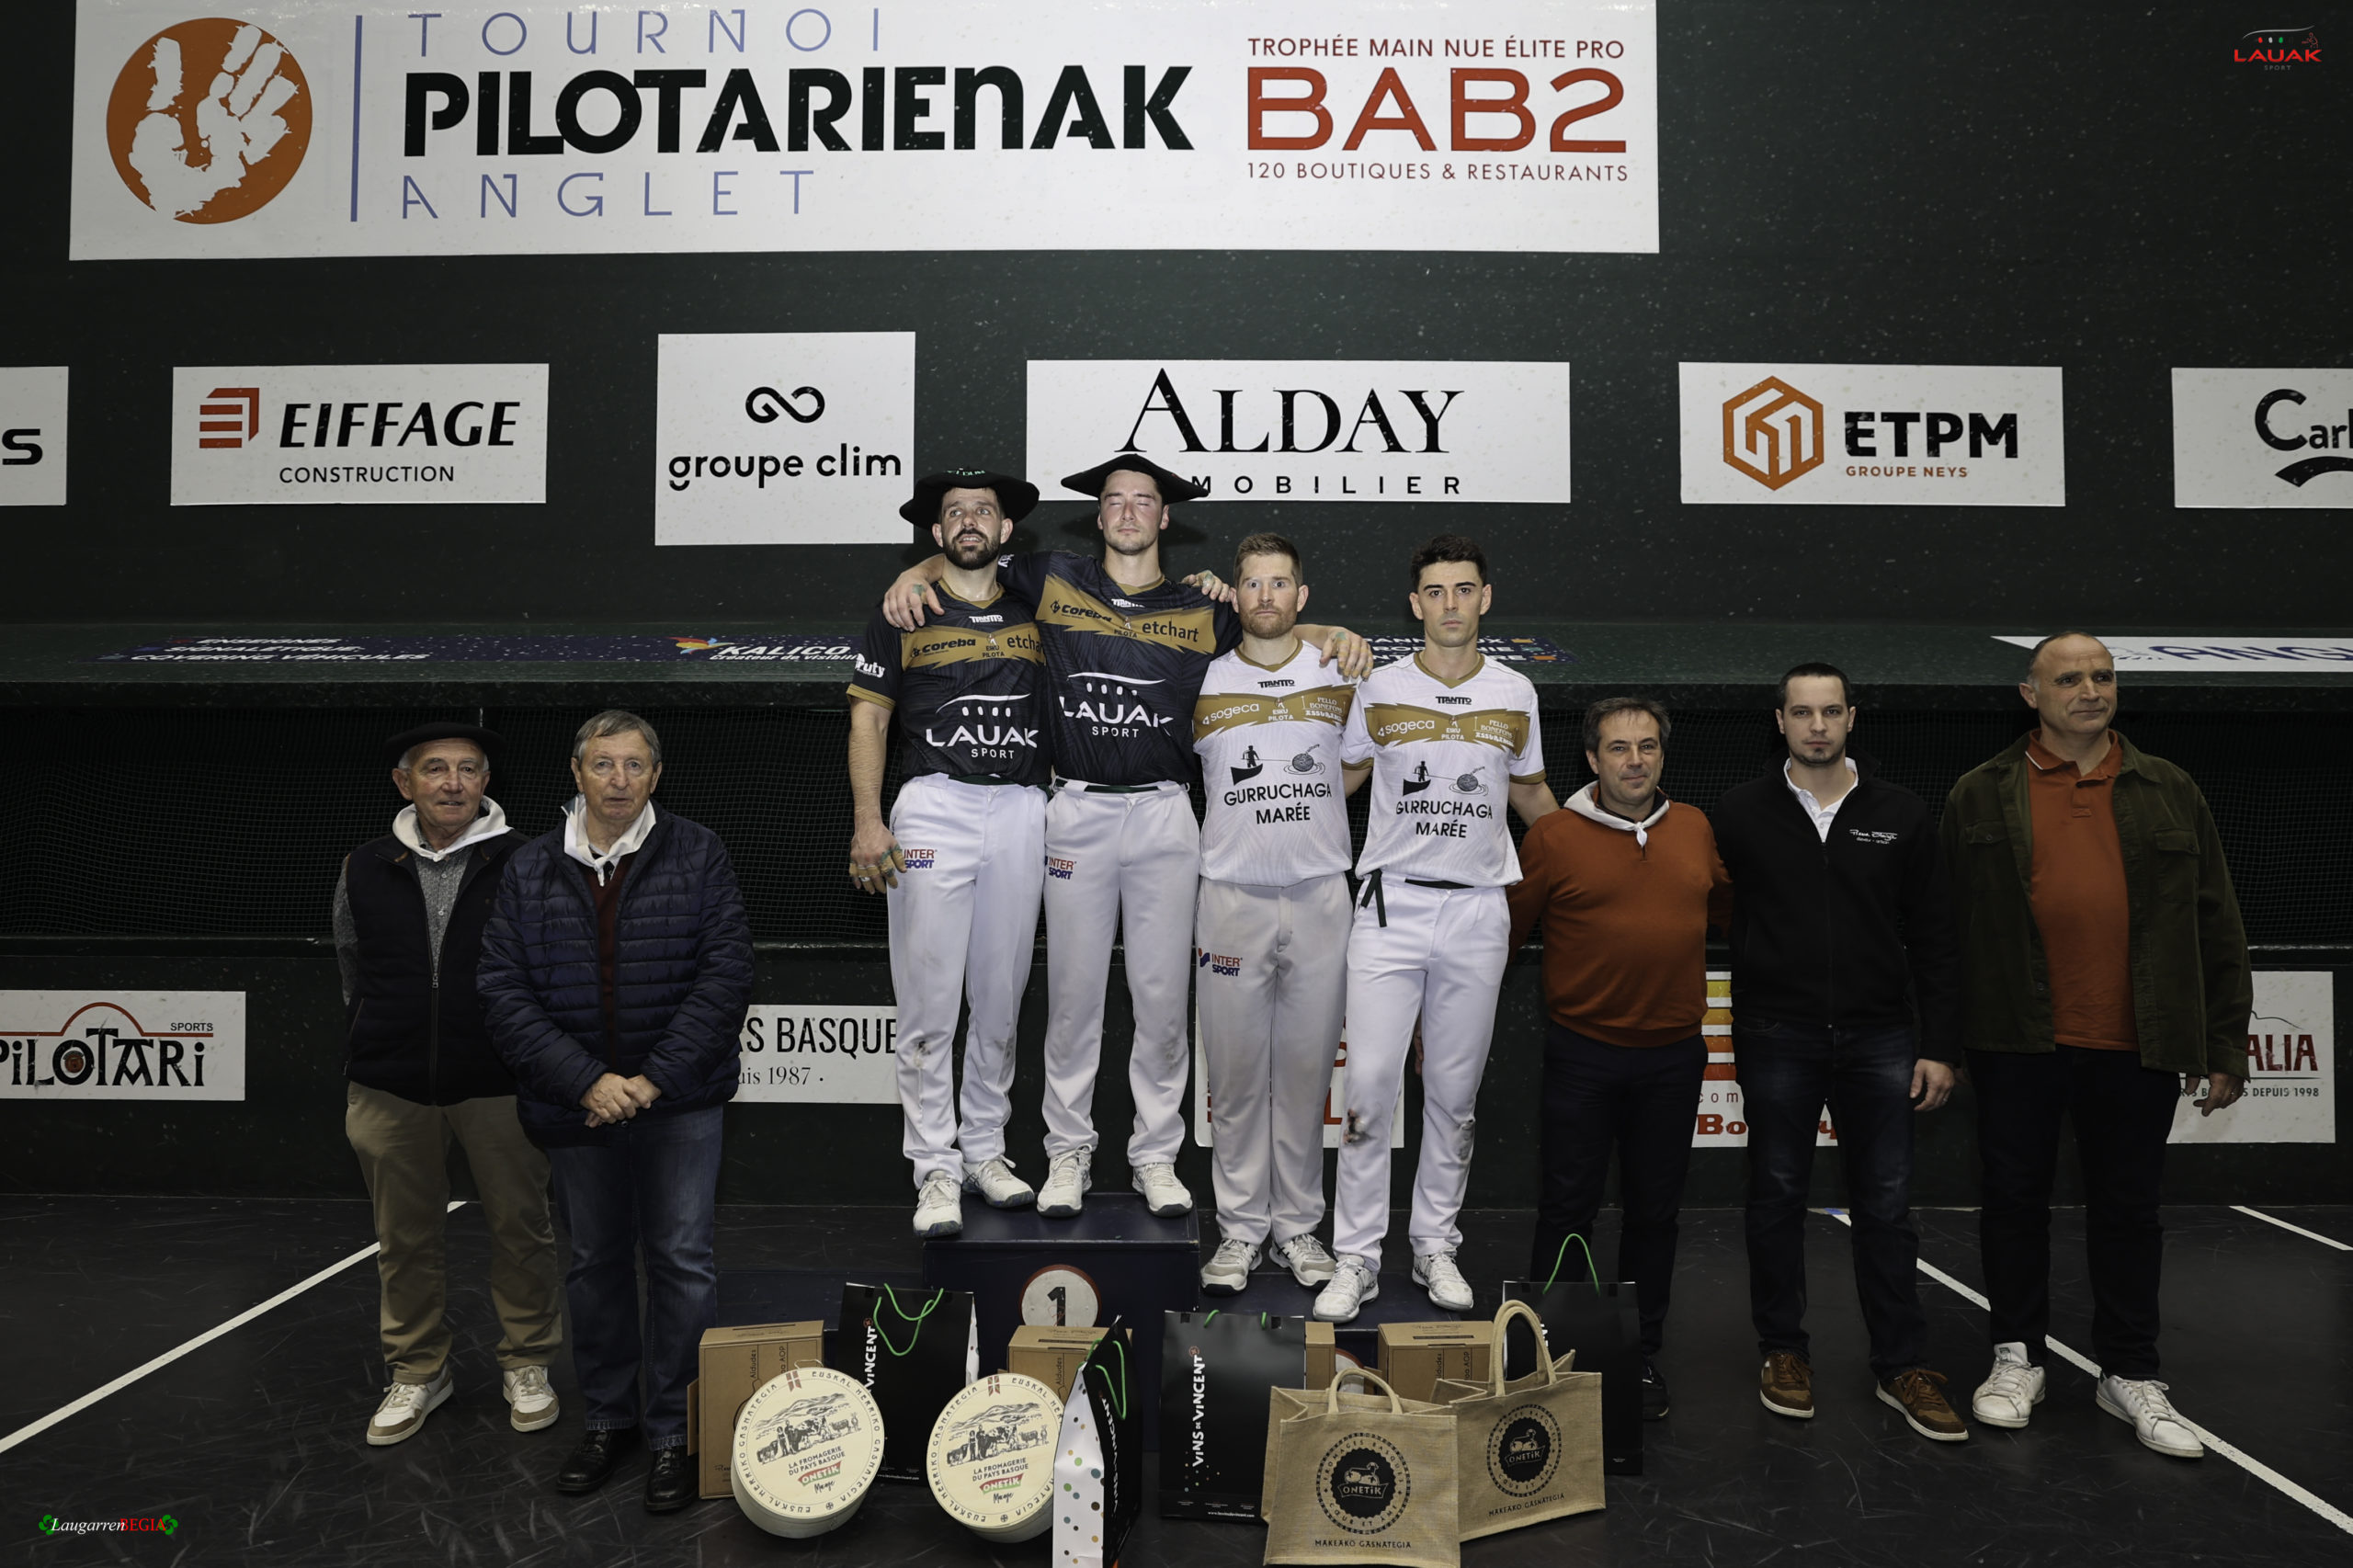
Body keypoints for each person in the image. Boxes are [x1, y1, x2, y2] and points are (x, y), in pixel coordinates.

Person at [881, 455, 1370, 1221]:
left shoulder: (1202, 604)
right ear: (1099, 515)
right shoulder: (1050, 578)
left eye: (1144, 501)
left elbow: (1272, 629)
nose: (1130, 512)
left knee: (1161, 1000)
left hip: (1166, 813)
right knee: (1072, 998)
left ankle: (1155, 1156)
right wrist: (911, 576)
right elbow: (964, 554)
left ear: (1164, 517)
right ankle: (1067, 1153)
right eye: (1115, 500)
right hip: (1075, 811)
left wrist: (1328, 630)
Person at [1942, 633, 2251, 1459]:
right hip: (2016, 1038)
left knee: (2130, 1211)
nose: (2090, 690)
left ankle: (2130, 1373)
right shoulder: (1979, 792)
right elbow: (1946, 928)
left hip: (2138, 1041)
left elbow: (2219, 922)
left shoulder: (2170, 787)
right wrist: (1942, 1038)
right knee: (2013, 1202)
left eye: (2103, 676)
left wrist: (2225, 1042)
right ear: (2030, 694)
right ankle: (2017, 1358)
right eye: (2070, 678)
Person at [479, 710, 754, 1511]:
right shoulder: (528, 867)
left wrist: (650, 1081)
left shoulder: (699, 852)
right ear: (576, 772)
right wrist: (588, 1082)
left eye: (635, 765)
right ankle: (608, 1422)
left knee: (682, 1265)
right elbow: (503, 991)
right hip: (577, 1109)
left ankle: (676, 1432)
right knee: (595, 1264)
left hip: (678, 1105)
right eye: (604, 764)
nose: (620, 780)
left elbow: (726, 975)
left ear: (656, 776)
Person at [1711, 665, 1966, 1442]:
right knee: (1776, 1197)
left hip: (1881, 1036)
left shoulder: (1901, 812)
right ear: (1779, 721)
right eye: (1801, 712)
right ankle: (1783, 1352)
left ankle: (1902, 1365)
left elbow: (1936, 938)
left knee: (1885, 1206)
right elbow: (1709, 906)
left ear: (1852, 717)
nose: (1816, 726)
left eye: (1830, 712)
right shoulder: (1739, 812)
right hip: (1775, 1033)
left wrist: (1939, 1046)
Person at [1315, 535, 1555, 1324]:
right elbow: (1342, 781)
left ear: (1485, 598)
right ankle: (1356, 1257)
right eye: (1436, 591)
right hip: (1390, 907)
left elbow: (1532, 796)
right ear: (1415, 603)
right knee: (1368, 1092)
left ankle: (1433, 1245)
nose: (1451, 604)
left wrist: (1599, 849)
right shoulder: (1378, 686)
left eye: (1464, 589)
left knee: (1455, 1096)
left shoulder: (1516, 692)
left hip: (1480, 910)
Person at [1504, 697, 1732, 1418]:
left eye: (1648, 747)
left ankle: (1639, 1355)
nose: (1635, 761)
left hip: (1673, 1058)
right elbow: (1505, 930)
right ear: (1592, 759)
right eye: (1619, 748)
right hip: (1584, 1056)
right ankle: (1543, 1359)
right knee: (1566, 1210)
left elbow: (1723, 910)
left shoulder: (1695, 828)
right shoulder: (1553, 836)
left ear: (1663, 754)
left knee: (1655, 1215)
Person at [336, 722, 562, 1448]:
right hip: (389, 1085)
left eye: (468, 769)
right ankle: (418, 1371)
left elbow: (553, 968)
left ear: (486, 782)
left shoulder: (531, 859)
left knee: (521, 1229)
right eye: (435, 769)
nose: (453, 783)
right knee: (403, 1240)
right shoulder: (364, 865)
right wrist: (382, 1033)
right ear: (404, 783)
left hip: (502, 1083)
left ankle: (527, 1362)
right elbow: (351, 966)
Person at [847, 469, 1051, 1238]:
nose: (970, 522)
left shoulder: (1040, 603)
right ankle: (934, 1164)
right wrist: (868, 821)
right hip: (934, 804)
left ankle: (984, 1151)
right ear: (937, 534)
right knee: (929, 1001)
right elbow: (868, 721)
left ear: (1006, 530)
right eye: (955, 513)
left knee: (999, 996)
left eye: (984, 512)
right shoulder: (902, 610)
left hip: (1023, 807)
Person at [1189, 533, 1364, 1294]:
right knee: (1233, 1080)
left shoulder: (1341, 672)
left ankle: (1296, 1229)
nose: (1266, 596)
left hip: (1322, 896)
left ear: (1302, 596)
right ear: (1236, 595)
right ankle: (1239, 1231)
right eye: (1253, 584)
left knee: (1302, 1076)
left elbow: (1357, 763)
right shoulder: (1200, 675)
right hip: (1230, 898)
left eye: (1280, 583)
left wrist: (1310, 805)